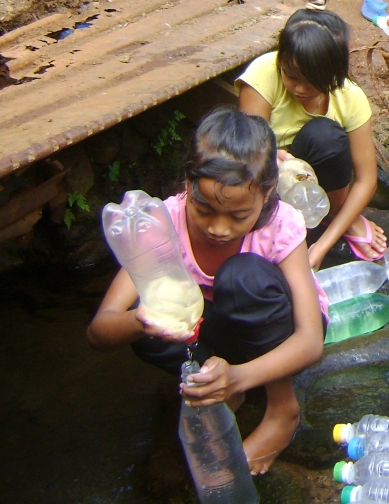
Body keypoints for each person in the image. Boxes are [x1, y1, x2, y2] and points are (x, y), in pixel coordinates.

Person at [87, 109, 327, 474]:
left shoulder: (279, 226)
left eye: (237, 216)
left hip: (276, 324)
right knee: (148, 308)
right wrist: (142, 319)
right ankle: (217, 387)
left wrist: (240, 375)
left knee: (242, 277)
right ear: (188, 183)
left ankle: (281, 410)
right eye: (204, 209)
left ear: (266, 194)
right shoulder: (161, 226)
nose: (218, 228)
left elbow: (310, 340)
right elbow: (99, 332)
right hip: (215, 331)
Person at [237, 8, 387, 268]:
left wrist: (322, 247)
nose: (300, 89)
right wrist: (269, 155)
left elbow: (366, 180)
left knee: (325, 137)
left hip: (323, 192)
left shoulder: (350, 97)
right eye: (292, 77)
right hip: (269, 183)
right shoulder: (264, 73)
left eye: (313, 81)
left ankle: (335, 215)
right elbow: (246, 147)